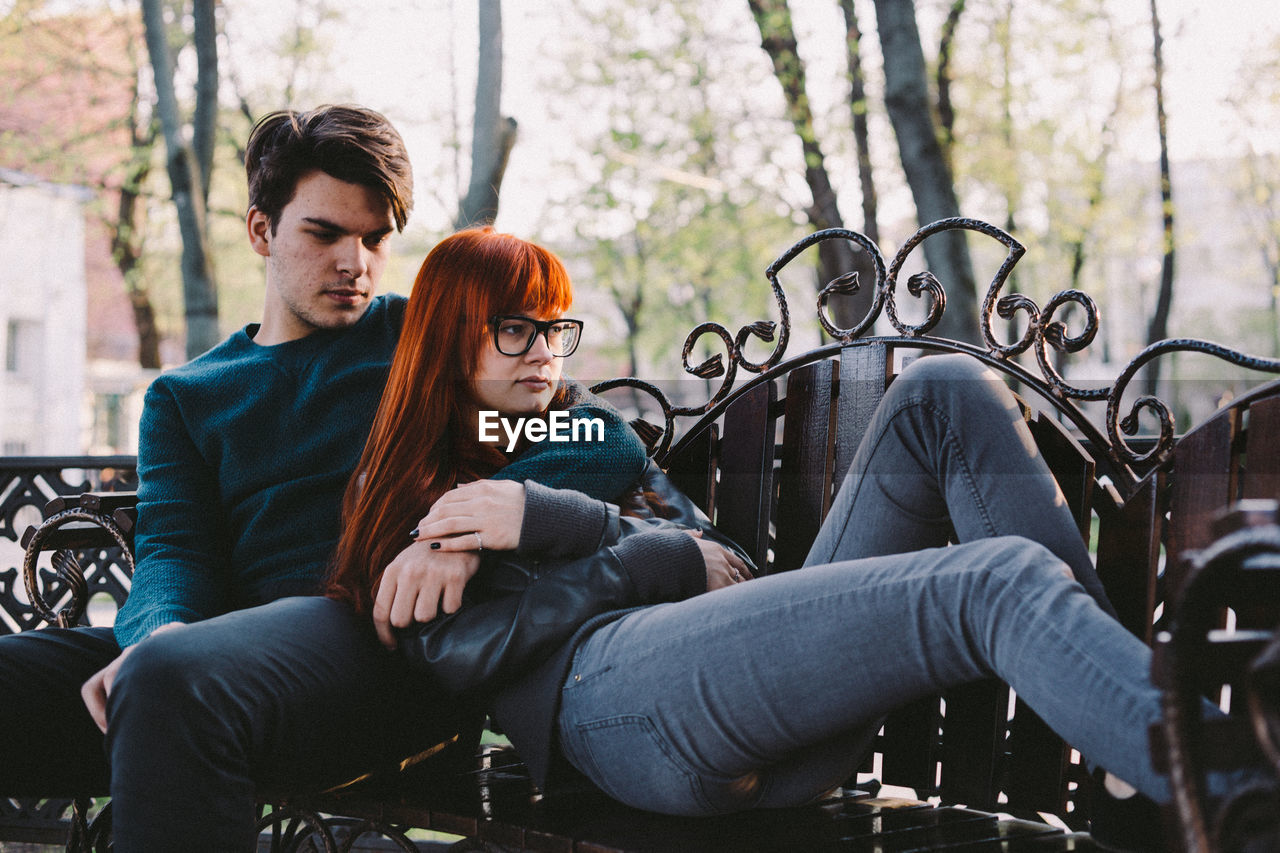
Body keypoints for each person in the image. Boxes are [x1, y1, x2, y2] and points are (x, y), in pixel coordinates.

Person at [337, 242, 1204, 844]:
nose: (545, 355)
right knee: (995, 581)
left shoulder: (586, 429)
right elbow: (466, 657)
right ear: (449, 337)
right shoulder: (410, 487)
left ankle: (1126, 758)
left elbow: (718, 561)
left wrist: (558, 518)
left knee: (946, 385)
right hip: (612, 712)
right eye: (513, 330)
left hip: (756, 701)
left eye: (555, 327)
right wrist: (628, 552)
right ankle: (1232, 786)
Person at [0, 105, 470, 852]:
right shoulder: (188, 396)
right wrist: (158, 634)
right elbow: (174, 552)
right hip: (214, 664)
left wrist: (492, 511)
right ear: (261, 231)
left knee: (173, 683)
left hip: (377, 655)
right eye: (325, 234)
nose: (356, 262)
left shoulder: (426, 340)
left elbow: (587, 432)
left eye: (375, 238)